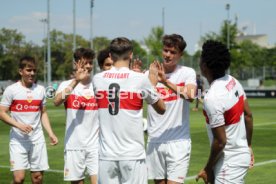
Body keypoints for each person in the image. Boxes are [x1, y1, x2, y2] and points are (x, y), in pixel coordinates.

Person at [93, 37, 166, 184]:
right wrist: (152, 84)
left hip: (106, 155)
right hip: (133, 155)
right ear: (131, 55)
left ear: (111, 56)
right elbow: (161, 109)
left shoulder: (97, 79)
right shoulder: (140, 79)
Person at [196, 40, 254, 184]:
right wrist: (248, 146)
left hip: (229, 162)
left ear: (204, 66)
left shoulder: (213, 97)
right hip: (239, 156)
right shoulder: (233, 81)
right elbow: (248, 115)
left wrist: (207, 168)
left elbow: (221, 141)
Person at [146, 34, 197, 184]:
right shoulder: (148, 74)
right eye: (166, 50)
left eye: (173, 52)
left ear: (181, 54)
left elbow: (191, 96)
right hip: (155, 140)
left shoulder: (187, 73)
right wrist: (137, 76)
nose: (168, 55)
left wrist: (165, 82)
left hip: (178, 142)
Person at [0, 56, 58, 184]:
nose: (32, 73)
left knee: (37, 179)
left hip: (37, 139)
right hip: (18, 140)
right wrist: (18, 125)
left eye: (34, 70)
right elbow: (2, 113)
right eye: (28, 70)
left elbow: (43, 113)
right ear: (21, 71)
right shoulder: (11, 90)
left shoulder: (40, 90)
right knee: (18, 178)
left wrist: (50, 133)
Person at [53, 48, 99, 184]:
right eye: (85, 63)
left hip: (95, 145)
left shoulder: (98, 84)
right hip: (74, 145)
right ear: (76, 64)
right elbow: (56, 101)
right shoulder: (66, 85)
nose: (89, 66)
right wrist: (75, 82)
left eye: (91, 63)